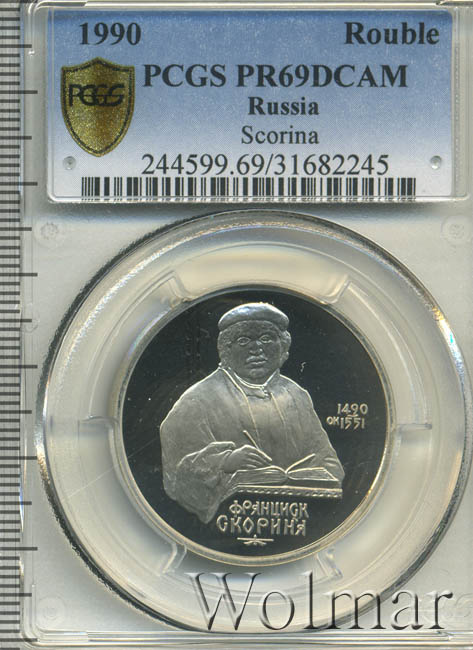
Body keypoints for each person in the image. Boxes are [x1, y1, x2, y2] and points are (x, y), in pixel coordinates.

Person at [160, 303, 344, 523]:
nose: (256, 349)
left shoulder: (296, 395)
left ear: (283, 347)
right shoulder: (197, 401)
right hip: (227, 520)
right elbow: (175, 478)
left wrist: (316, 475)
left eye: (266, 339)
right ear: (225, 350)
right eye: (243, 340)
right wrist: (226, 462)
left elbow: (329, 460)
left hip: (297, 516)